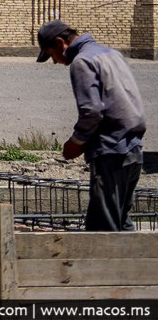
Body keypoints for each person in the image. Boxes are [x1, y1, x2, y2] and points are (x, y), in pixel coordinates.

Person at [36, 18, 147, 231]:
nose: (55, 62)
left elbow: (91, 111)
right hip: (133, 150)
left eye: (51, 55)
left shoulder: (82, 62)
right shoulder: (112, 54)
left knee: (102, 232)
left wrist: (76, 142)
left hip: (111, 153)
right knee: (123, 226)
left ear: (60, 43)